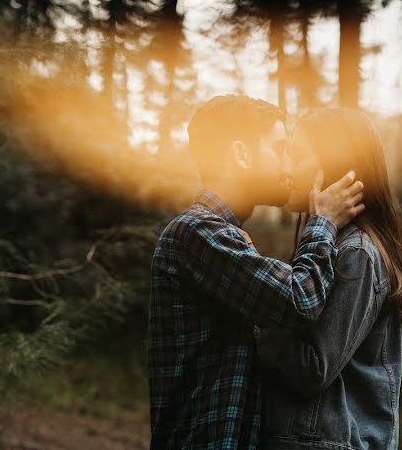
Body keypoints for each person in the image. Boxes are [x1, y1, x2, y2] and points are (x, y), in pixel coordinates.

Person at [148, 95, 365, 449]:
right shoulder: (197, 233)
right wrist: (322, 221)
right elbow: (299, 300)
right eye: (279, 149)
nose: (288, 165)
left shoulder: (222, 237)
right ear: (241, 155)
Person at [256, 107, 402, 450]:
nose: (286, 168)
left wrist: (256, 318)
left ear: (331, 170)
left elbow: (312, 368)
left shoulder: (357, 253)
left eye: (298, 155)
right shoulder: (330, 245)